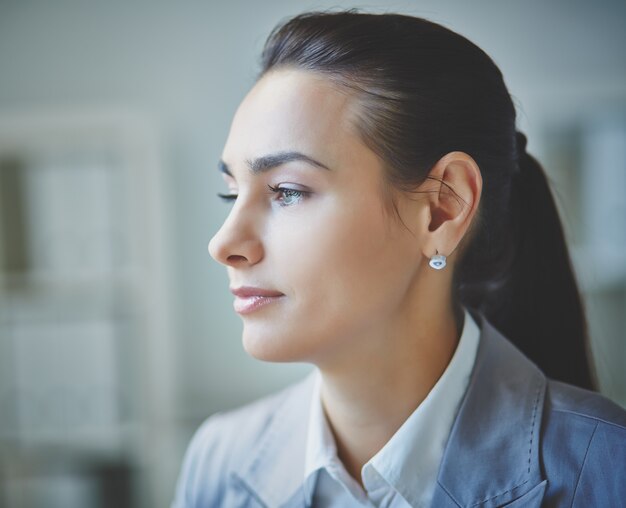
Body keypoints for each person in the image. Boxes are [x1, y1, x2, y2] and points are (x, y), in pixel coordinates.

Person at [172, 10, 626, 508]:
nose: (223, 244)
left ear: (441, 208)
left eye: (287, 191)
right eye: (230, 194)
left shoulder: (608, 468)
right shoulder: (217, 459)